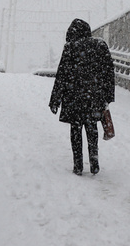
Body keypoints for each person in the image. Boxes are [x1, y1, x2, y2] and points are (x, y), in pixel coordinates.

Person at [49, 18, 115, 175]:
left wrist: (55, 99)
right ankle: (94, 160)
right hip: (94, 97)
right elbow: (108, 72)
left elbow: (62, 75)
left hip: (74, 98)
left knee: (76, 130)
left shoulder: (71, 47)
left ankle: (78, 165)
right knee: (92, 128)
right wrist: (108, 96)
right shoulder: (100, 45)